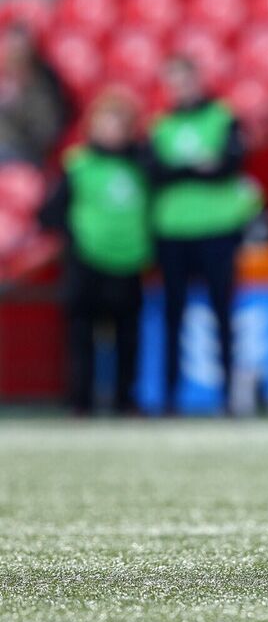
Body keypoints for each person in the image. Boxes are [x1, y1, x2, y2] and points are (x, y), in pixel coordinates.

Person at [147, 55, 262, 415]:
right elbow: (153, 172)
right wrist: (199, 167)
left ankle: (229, 396)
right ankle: (169, 398)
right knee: (173, 314)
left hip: (217, 229)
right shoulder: (160, 125)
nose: (181, 89)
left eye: (185, 80)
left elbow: (230, 164)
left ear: (198, 80)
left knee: (221, 311)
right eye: (173, 82)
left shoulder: (223, 116)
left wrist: (180, 170)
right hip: (173, 231)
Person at [39, 88, 151, 415]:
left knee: (127, 338)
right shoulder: (77, 164)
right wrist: (77, 235)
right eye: (106, 123)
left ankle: (124, 400)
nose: (112, 131)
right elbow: (48, 213)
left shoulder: (142, 165)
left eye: (120, 124)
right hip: (86, 262)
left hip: (128, 261)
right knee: (81, 337)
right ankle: (81, 402)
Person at [0, 23, 70, 165]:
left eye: (20, 49)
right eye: (11, 48)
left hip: (22, 151)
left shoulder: (42, 87)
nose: (15, 54)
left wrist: (18, 105)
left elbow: (46, 133)